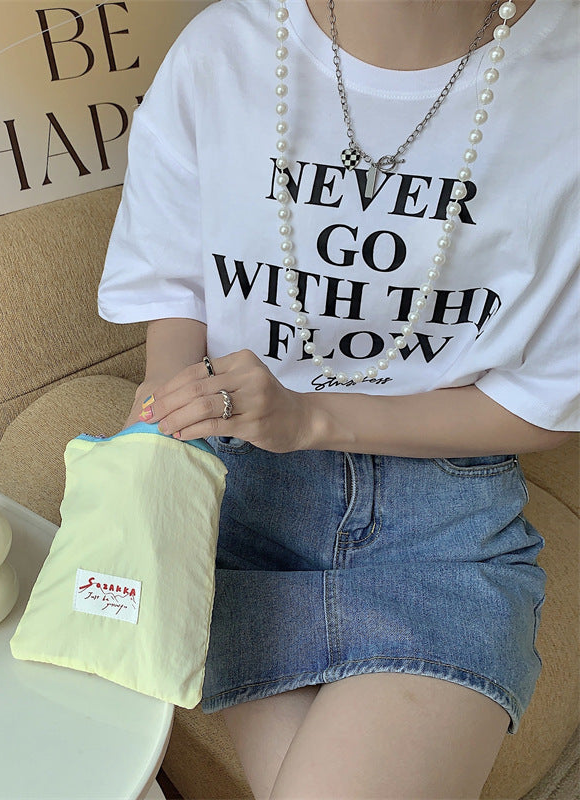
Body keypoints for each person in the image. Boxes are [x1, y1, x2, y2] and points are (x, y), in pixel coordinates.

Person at [97, 0, 579, 796]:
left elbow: (548, 399)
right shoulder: (224, 52)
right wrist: (156, 448)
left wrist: (311, 416)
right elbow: (175, 285)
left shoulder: (564, 78)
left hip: (444, 523)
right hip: (242, 497)